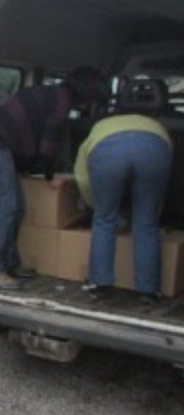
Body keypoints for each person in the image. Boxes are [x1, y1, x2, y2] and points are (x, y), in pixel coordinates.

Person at [0, 66, 109, 290]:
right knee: (7, 206)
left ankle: (9, 263)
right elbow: (48, 146)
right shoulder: (61, 104)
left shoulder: (53, 94)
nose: (87, 106)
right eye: (90, 101)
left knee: (17, 208)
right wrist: (49, 175)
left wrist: (40, 166)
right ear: (84, 95)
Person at [74, 110, 172, 303]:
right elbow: (163, 184)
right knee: (146, 224)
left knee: (103, 220)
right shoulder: (158, 128)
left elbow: (83, 179)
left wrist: (94, 205)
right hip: (154, 149)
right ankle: (149, 291)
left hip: (107, 150)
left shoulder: (99, 127)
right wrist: (154, 212)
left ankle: (100, 284)